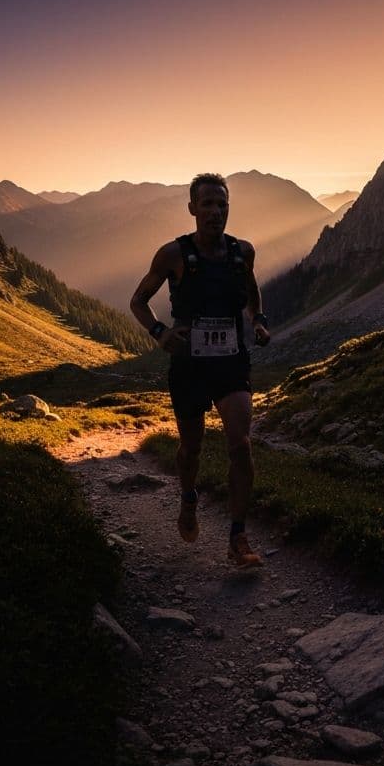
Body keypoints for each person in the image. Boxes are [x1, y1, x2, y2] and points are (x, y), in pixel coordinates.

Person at [130, 172, 271, 568]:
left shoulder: (243, 252)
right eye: (207, 204)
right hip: (189, 365)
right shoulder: (172, 255)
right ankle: (188, 496)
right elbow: (138, 301)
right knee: (191, 449)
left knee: (240, 445)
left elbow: (252, 289)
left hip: (231, 361)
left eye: (222, 204)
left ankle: (238, 537)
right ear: (192, 208)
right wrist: (159, 331)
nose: (215, 212)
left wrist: (258, 320)